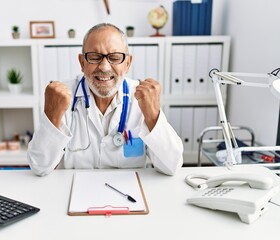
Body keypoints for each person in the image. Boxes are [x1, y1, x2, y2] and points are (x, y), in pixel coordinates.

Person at [27, 23, 183, 177]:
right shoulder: (63, 97)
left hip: (128, 193)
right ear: (82, 62)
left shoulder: (141, 98)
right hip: (72, 193)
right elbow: (39, 166)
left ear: (127, 63)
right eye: (95, 57)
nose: (104, 67)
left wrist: (153, 115)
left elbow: (172, 166)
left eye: (114, 58)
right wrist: (51, 115)